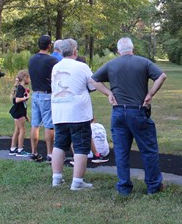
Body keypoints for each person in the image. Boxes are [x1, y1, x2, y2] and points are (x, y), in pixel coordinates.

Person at [91, 37, 167, 196]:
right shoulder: (143, 62)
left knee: (121, 151)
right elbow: (162, 76)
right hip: (138, 111)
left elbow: (93, 79)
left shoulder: (112, 64)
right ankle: (153, 186)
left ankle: (124, 187)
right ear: (133, 49)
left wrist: (108, 93)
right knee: (148, 149)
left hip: (118, 112)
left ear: (118, 51)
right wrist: (150, 94)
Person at [50, 39, 96, 190]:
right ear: (75, 51)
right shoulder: (82, 66)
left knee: (59, 144)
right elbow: (92, 85)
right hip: (78, 113)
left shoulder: (56, 67)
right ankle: (77, 181)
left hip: (59, 111)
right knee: (81, 146)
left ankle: (56, 178)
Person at [28, 35, 58, 162]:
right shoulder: (52, 60)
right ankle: (50, 153)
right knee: (49, 125)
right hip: (47, 94)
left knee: (35, 125)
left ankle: (34, 152)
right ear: (49, 45)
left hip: (35, 94)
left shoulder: (32, 59)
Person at [9, 70, 31, 156]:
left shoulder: (19, 87)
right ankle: (20, 150)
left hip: (19, 111)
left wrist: (26, 115)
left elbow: (22, 104)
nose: (29, 80)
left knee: (17, 130)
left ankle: (13, 148)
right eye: (28, 78)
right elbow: (17, 100)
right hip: (18, 112)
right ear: (25, 78)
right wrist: (26, 97)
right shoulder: (21, 88)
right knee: (22, 130)